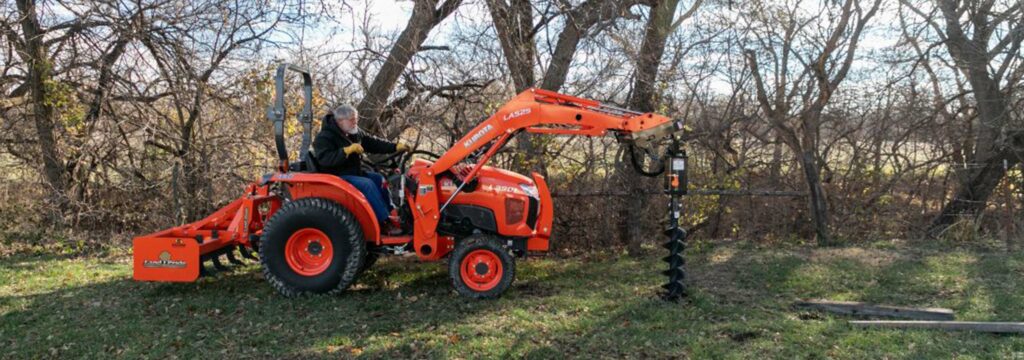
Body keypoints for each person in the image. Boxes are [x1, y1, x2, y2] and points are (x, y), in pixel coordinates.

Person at [313, 104, 410, 228]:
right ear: (340, 121)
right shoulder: (324, 137)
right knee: (367, 184)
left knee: (378, 178)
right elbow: (325, 160)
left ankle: (392, 212)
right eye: (352, 120)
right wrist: (345, 151)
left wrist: (394, 147)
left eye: (356, 119)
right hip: (337, 176)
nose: (355, 123)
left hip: (353, 172)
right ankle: (384, 221)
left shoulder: (353, 132)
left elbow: (373, 143)